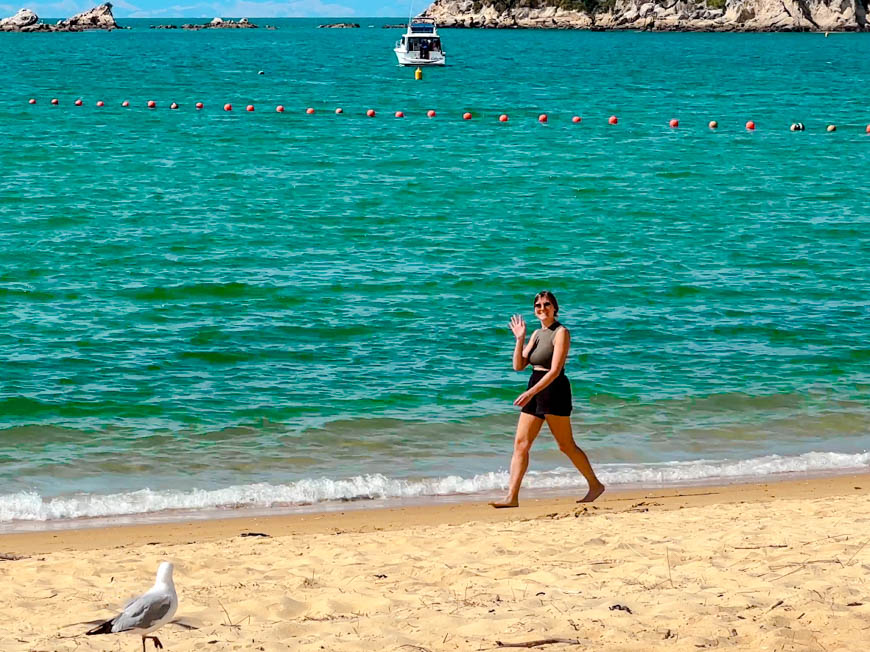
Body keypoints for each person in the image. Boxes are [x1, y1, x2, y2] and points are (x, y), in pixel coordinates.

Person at [490, 291, 605, 508]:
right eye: (538, 305)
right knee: (521, 444)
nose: (542, 308)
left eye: (546, 304)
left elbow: (554, 371)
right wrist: (520, 338)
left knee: (565, 445)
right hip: (534, 384)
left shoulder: (561, 332)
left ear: (555, 308)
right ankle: (511, 497)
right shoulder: (535, 334)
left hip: (554, 389)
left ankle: (595, 485)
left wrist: (531, 392)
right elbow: (518, 366)